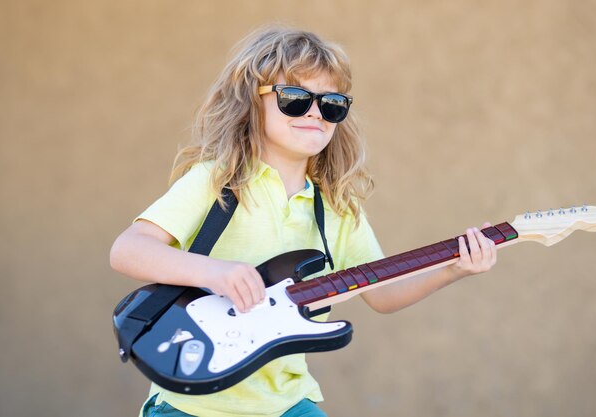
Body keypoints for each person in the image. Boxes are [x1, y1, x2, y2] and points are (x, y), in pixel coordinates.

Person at [110, 26, 497, 417]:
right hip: (191, 403)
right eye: (294, 98)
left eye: (331, 104)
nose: (315, 111)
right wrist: (213, 272)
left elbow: (382, 295)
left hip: (287, 403)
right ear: (251, 102)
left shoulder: (337, 207)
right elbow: (128, 249)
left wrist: (453, 269)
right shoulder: (216, 180)